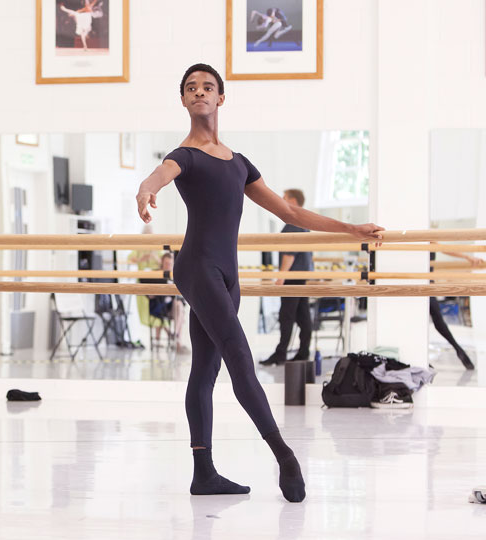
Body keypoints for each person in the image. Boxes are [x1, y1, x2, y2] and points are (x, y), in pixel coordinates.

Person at [135, 63, 383, 500]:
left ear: (221, 98)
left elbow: (291, 215)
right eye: (191, 88)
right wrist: (145, 188)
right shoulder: (185, 156)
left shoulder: (239, 163)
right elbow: (160, 174)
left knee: (205, 370)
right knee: (239, 357)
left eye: (207, 87)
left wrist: (350, 229)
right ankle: (283, 454)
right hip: (197, 268)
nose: (199, 93)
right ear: (183, 100)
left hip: (228, 277)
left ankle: (203, 472)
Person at [259, 189, 313, 366]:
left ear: (293, 200)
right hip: (301, 275)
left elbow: (290, 254)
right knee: (302, 315)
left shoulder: (293, 221)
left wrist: (281, 276)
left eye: (284, 198)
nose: (281, 200)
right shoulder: (302, 220)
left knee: (287, 315)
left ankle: (281, 353)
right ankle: (303, 352)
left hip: (293, 275)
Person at [432, 251, 481, 370]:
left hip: (427, 283)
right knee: (437, 321)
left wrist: (467, 256)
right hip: (422, 282)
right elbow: (445, 248)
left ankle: (459, 349)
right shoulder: (423, 240)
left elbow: (446, 248)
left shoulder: (430, 241)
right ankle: (459, 349)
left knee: (438, 321)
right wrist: (467, 256)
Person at [147, 252, 186, 350]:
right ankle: (175, 337)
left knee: (179, 305)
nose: (168, 266)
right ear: (162, 263)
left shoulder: (175, 275)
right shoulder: (155, 275)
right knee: (178, 309)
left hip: (171, 308)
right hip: (158, 307)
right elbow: (149, 295)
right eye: (166, 263)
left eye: (170, 264)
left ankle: (175, 335)